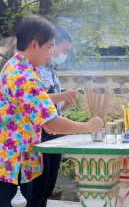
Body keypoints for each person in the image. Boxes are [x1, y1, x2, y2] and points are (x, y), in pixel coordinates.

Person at [0, 15, 104, 207]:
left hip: (17, 167)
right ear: (34, 45)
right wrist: (89, 126)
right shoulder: (23, 75)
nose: (51, 53)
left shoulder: (21, 67)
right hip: (12, 170)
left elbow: (41, 117)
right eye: (49, 47)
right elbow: (51, 121)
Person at [30, 26, 77, 206]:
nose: (65, 54)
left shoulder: (52, 69)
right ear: (53, 44)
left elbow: (52, 109)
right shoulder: (36, 69)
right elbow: (37, 99)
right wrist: (64, 94)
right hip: (41, 132)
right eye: (63, 49)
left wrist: (65, 106)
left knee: (48, 186)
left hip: (54, 132)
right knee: (38, 187)